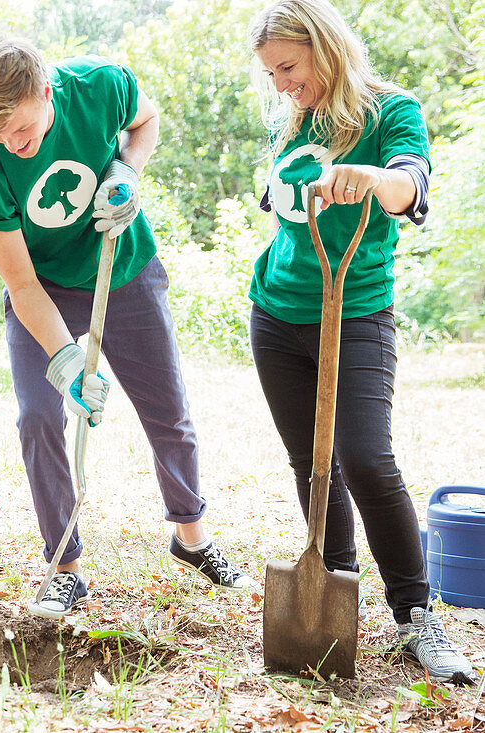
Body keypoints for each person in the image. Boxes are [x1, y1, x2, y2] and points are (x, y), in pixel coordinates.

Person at [0, 39, 255, 618]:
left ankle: (191, 537)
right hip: (45, 290)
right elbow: (21, 286)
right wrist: (66, 361)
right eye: (0, 138)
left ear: (45, 92)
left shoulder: (98, 87)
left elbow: (147, 120)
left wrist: (128, 170)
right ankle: (65, 566)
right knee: (38, 418)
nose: (14, 147)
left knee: (167, 408)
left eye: (20, 128)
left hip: (124, 269)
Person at [246, 0, 477, 685]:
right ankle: (334, 588)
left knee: (367, 460)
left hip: (358, 311)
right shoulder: (293, 120)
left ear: (325, 46)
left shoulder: (390, 110)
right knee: (312, 464)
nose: (281, 83)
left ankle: (415, 615)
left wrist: (375, 180)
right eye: (271, 73)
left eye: (288, 67)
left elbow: (411, 186)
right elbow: (281, 210)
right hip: (277, 313)